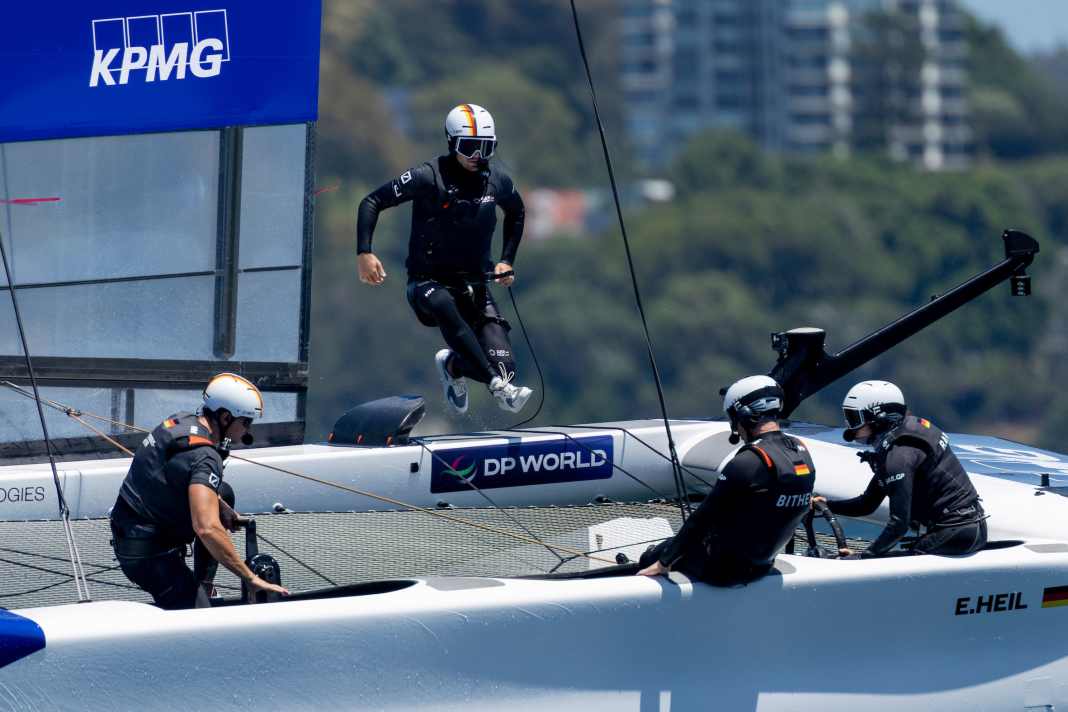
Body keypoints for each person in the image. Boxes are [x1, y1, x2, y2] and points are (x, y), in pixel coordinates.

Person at [356, 103, 533, 415]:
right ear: (452, 143)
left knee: (507, 369)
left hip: (476, 287)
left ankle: (453, 365)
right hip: (427, 284)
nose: (478, 155)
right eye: (469, 147)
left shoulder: (498, 181)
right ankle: (496, 385)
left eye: (486, 148)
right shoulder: (427, 177)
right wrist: (365, 253)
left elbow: (517, 212)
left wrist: (506, 260)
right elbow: (372, 201)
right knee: (442, 304)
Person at [110, 373, 289, 609]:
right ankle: (192, 597)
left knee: (222, 493)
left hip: (129, 531)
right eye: (246, 422)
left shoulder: (180, 421)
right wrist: (251, 579)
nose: (247, 432)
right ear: (225, 417)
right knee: (199, 619)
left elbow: (174, 472)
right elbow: (207, 528)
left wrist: (219, 504)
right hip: (148, 554)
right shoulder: (206, 456)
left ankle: (203, 584)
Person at [637, 375, 816, 585]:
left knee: (650, 556)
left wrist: (664, 561)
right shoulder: (800, 451)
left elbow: (702, 518)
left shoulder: (748, 461)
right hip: (763, 565)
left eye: (733, 418)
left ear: (745, 415)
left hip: (722, 571)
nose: (735, 427)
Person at [813, 380, 987, 558]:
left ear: (879, 418)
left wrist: (862, 557)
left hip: (956, 531)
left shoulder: (899, 456)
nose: (851, 429)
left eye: (855, 419)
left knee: (888, 560)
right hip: (966, 528)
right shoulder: (903, 440)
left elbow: (899, 525)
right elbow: (866, 504)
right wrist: (825, 506)